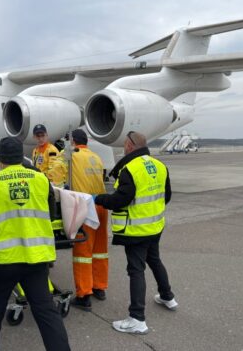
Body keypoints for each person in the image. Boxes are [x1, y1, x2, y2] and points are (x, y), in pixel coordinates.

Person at [0, 137, 70, 351]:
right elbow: (51, 214)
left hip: (2, 261)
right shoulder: (41, 180)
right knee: (46, 311)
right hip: (36, 258)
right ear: (22, 157)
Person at [94, 131, 177, 334]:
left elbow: (119, 201)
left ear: (130, 146)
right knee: (155, 260)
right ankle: (167, 296)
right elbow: (166, 196)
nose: (123, 147)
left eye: (124, 144)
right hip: (155, 226)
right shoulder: (159, 165)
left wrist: (98, 198)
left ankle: (137, 318)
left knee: (136, 270)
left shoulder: (130, 169)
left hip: (136, 230)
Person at [47, 129, 109, 311]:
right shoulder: (95, 157)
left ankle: (84, 294)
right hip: (101, 205)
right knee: (100, 250)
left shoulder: (71, 155)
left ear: (72, 142)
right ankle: (99, 286)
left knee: (83, 252)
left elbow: (53, 176)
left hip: (85, 206)